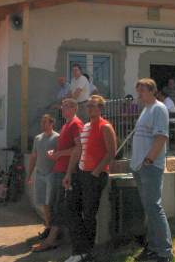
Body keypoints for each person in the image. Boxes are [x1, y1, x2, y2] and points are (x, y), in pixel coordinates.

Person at [63, 95, 117, 262]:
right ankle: (79, 249)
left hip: (95, 175)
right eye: (88, 106)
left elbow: (111, 153)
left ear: (100, 108)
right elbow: (79, 150)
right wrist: (69, 173)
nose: (90, 109)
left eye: (93, 106)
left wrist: (96, 171)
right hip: (81, 173)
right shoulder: (85, 126)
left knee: (88, 213)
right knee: (71, 208)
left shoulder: (105, 126)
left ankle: (86, 251)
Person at [131, 78, 174, 262]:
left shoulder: (158, 108)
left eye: (141, 90)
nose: (138, 94)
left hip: (150, 166)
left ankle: (164, 252)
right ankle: (154, 247)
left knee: (154, 207)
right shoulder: (146, 110)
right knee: (149, 208)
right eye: (138, 90)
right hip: (140, 166)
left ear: (151, 91)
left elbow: (161, 137)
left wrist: (149, 159)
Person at [38, 99, 83, 251]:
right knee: (56, 204)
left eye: (64, 107)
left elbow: (79, 147)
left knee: (59, 205)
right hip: (60, 169)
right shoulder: (66, 125)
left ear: (72, 108)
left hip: (66, 171)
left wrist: (59, 154)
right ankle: (52, 236)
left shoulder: (76, 124)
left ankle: (52, 239)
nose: (62, 109)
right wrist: (56, 154)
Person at [26, 114, 59, 252]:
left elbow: (59, 155)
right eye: (42, 122)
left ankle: (54, 231)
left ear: (52, 123)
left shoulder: (57, 137)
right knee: (43, 202)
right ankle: (48, 226)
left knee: (50, 201)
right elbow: (34, 156)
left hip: (51, 173)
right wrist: (29, 174)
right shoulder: (38, 138)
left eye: (46, 122)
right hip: (39, 173)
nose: (43, 124)